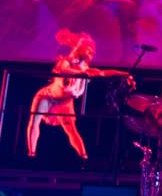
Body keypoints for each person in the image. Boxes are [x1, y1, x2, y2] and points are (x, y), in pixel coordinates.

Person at [26, 28, 134, 161]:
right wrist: (79, 73)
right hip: (47, 96)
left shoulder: (86, 70)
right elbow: (64, 69)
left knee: (71, 130)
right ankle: (31, 155)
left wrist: (124, 74)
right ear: (80, 50)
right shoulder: (66, 62)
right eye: (88, 50)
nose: (91, 53)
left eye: (92, 52)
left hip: (64, 103)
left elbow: (103, 73)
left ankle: (84, 158)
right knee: (35, 121)